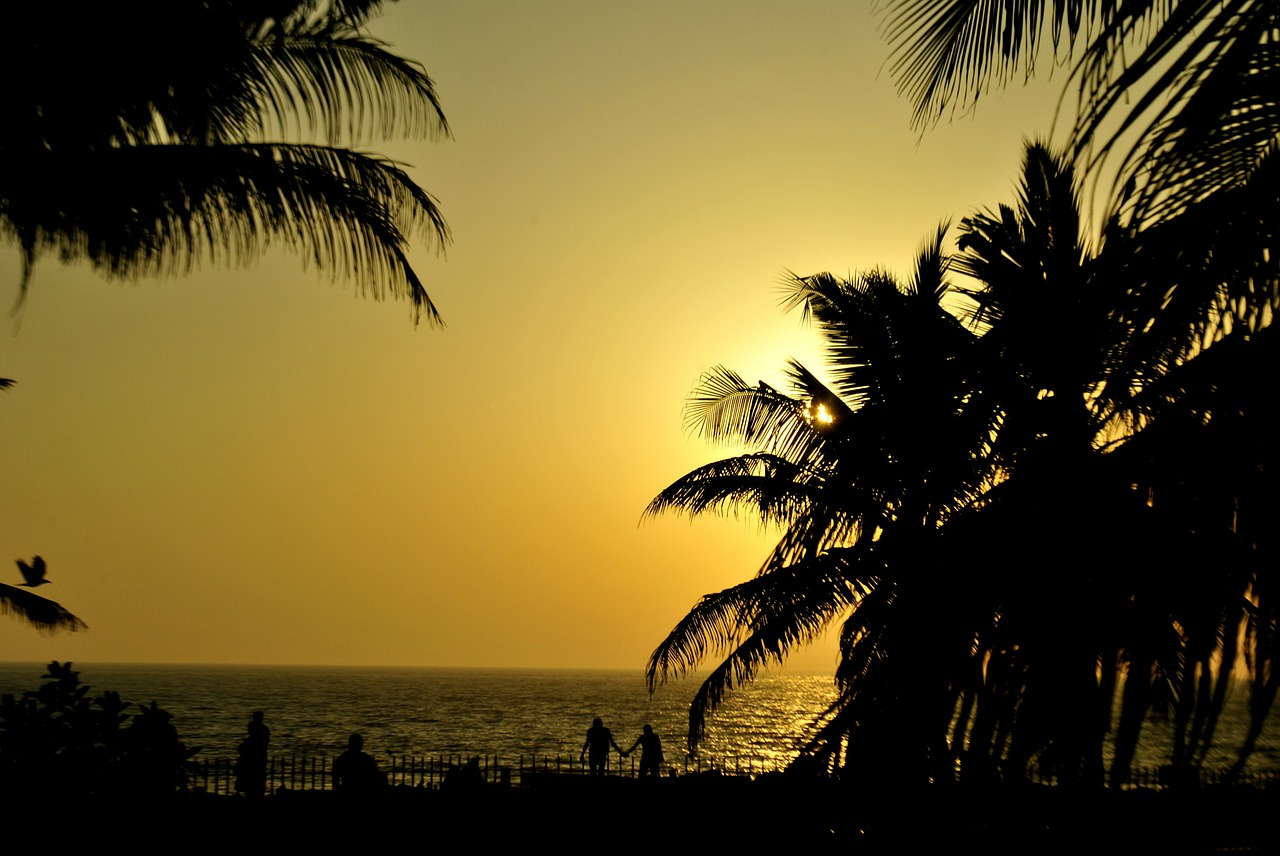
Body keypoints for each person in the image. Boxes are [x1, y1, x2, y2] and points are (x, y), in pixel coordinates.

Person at [234, 710, 270, 797]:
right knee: (255, 785)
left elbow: (243, 749)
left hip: (252, 762)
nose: (248, 729)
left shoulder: (257, 735)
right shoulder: (263, 731)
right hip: (258, 761)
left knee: (253, 786)